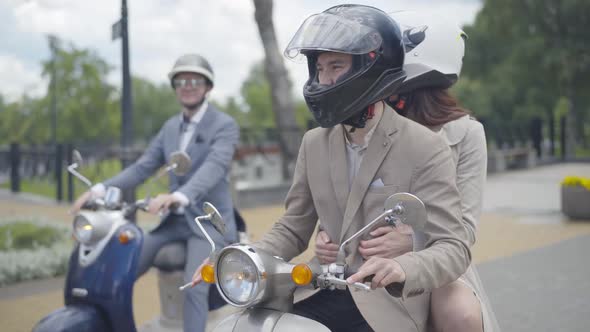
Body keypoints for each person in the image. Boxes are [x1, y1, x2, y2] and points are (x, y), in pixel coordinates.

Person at [193, 5, 471, 332]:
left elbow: (453, 246)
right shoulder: (314, 143)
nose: (324, 80)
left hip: (385, 300)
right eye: (320, 68)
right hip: (317, 287)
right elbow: (294, 226)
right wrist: (238, 256)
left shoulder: (424, 146)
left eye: (336, 66)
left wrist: (403, 267)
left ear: (372, 64)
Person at [319, 11, 501, 332]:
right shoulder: (366, 124)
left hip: (437, 263)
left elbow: (465, 229)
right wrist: (325, 232)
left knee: (460, 315)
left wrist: (410, 242)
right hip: (362, 257)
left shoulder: (467, 133)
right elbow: (342, 195)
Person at [71, 53, 239, 332]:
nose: (188, 85)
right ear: (175, 87)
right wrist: (99, 188)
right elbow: (142, 167)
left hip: (208, 223)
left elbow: (215, 167)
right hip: (173, 222)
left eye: (195, 80)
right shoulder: (171, 127)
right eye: (181, 80)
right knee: (122, 266)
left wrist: (180, 195)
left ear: (208, 86)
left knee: (194, 285)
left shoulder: (224, 125)